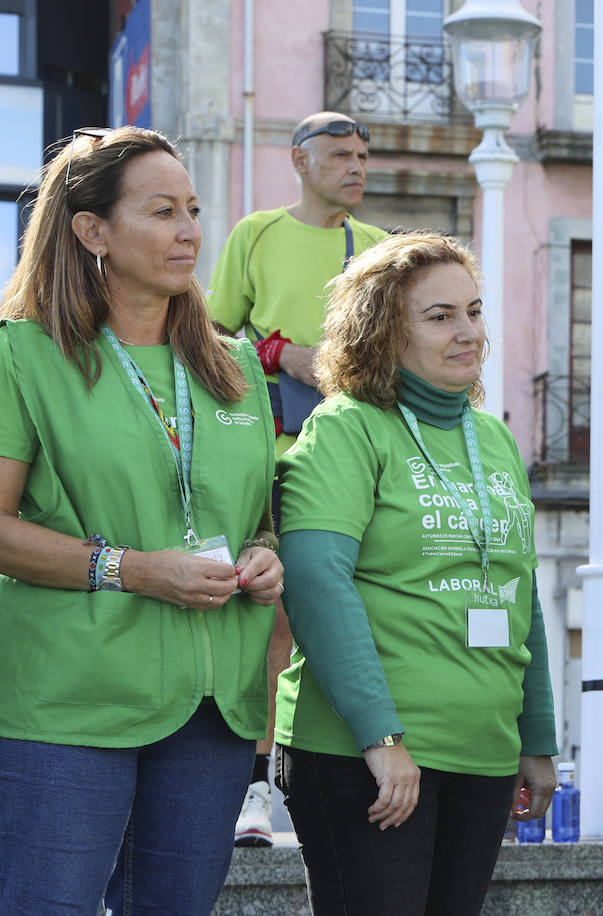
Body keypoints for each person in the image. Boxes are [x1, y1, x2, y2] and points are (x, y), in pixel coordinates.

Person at [0, 126, 281, 913]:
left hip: (213, 708)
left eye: (193, 209)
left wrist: (265, 557)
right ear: (92, 231)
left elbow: (257, 521)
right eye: (161, 212)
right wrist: (132, 568)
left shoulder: (235, 372)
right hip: (68, 704)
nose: (189, 230)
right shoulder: (21, 356)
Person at [273, 232, 556, 914]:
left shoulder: (493, 437)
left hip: (483, 754)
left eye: (475, 311)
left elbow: (523, 593)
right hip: (370, 758)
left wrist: (538, 737)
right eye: (440, 316)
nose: (469, 332)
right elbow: (317, 584)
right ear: (381, 333)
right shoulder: (345, 428)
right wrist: (382, 738)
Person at [207, 110, 389, 846]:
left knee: (358, 614)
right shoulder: (255, 234)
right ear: (299, 160)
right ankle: (256, 790)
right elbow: (215, 339)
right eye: (341, 154)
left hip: (354, 455)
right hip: (271, 452)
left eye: (364, 156)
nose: (357, 167)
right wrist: (277, 354)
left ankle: (365, 764)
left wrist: (314, 359)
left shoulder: (378, 249)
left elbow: (391, 357)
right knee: (270, 617)